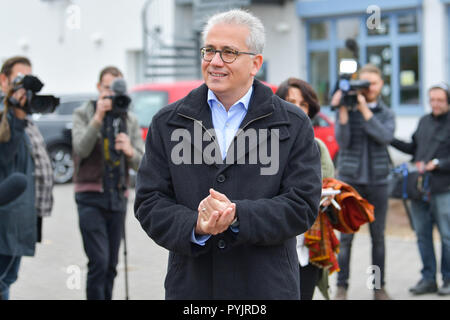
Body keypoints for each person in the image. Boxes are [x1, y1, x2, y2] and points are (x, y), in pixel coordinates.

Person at [134, 9, 322, 300]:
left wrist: (237, 216)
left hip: (266, 288)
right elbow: (150, 202)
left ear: (255, 63)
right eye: (209, 50)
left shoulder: (293, 123)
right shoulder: (168, 122)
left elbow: (302, 206)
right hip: (193, 289)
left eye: (229, 52)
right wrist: (195, 225)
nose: (215, 61)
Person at [72, 66, 144, 300]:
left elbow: (142, 164)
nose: (111, 95)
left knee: (112, 265)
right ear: (98, 88)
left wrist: (130, 150)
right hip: (90, 196)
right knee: (99, 262)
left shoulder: (128, 118)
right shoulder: (83, 113)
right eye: (107, 88)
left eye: (116, 89)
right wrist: (98, 118)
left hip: (118, 197)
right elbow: (80, 148)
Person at [331, 64, 395, 300]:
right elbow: (343, 142)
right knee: (346, 238)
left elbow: (385, 137)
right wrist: (345, 113)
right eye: (364, 83)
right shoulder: (348, 108)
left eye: (373, 84)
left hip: (378, 181)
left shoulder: (386, 113)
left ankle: (378, 288)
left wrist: (364, 110)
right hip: (351, 181)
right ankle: (342, 288)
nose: (368, 88)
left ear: (380, 86)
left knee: (378, 238)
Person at [276, 77, 335, 300]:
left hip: (309, 243)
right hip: (273, 242)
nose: (297, 109)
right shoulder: (265, 145)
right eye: (290, 102)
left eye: (303, 104)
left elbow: (330, 183)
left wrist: (328, 198)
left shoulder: (317, 147)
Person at [0, 56, 54, 300]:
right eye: (20, 80)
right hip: (5, 216)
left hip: (22, 215)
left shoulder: (23, 116)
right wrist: (16, 116)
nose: (25, 90)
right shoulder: (7, 115)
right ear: (4, 80)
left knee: (8, 279)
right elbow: (4, 156)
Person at [390, 83, 450, 296]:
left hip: (444, 189)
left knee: (447, 236)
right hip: (418, 190)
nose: (435, 104)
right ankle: (428, 279)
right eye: (432, 100)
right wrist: (389, 138)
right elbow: (413, 148)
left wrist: (439, 163)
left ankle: (448, 279)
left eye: (440, 100)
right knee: (422, 235)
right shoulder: (424, 121)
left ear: (448, 101)